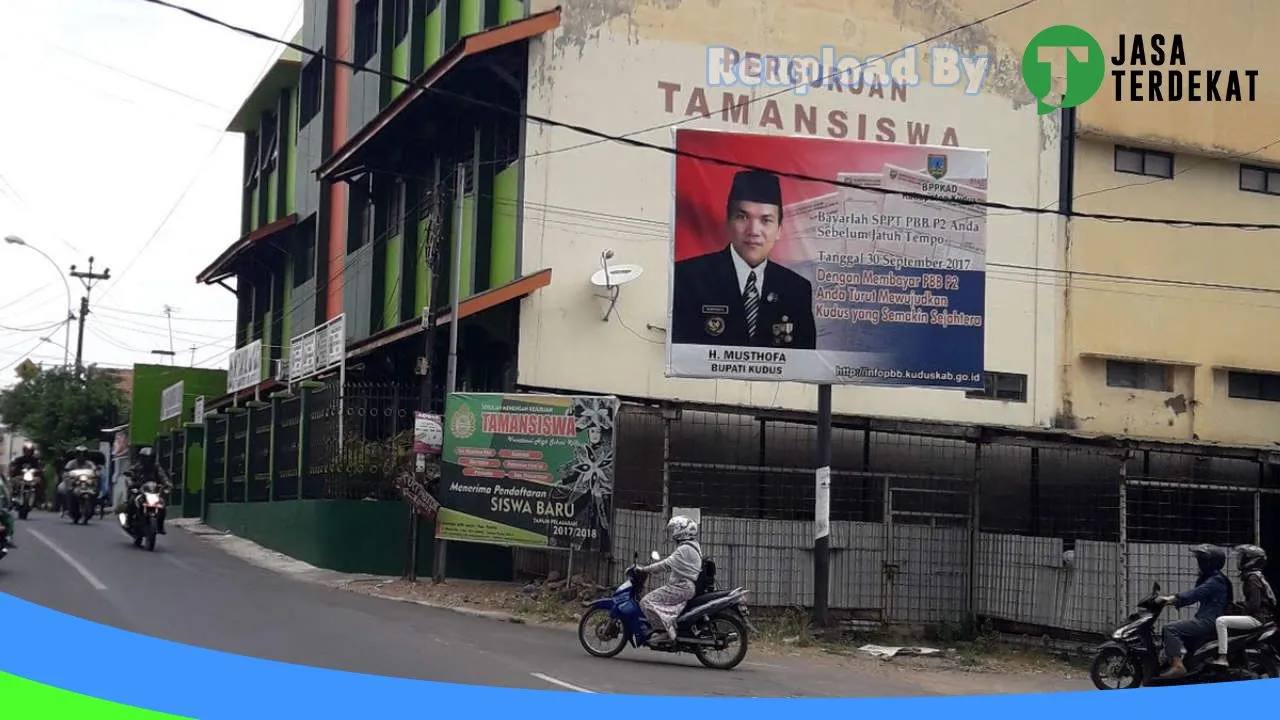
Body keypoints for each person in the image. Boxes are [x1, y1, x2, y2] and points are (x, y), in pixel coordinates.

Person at [671, 169, 817, 350]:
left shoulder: (796, 290)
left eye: (766, 220)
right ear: (728, 221)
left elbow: (804, 360)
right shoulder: (687, 278)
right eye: (742, 217)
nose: (753, 231)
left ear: (779, 229)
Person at [1155, 544, 1232, 679]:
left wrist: (1171, 599)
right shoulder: (1213, 578)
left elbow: (1195, 594)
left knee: (1170, 629)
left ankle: (1178, 666)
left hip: (1208, 621)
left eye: (1201, 561)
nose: (1199, 564)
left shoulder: (1216, 580)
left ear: (1209, 563)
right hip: (1207, 619)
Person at [636, 515, 703, 647]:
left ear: (682, 531)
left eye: (675, 529)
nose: (673, 532)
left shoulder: (684, 549)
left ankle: (666, 631)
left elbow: (665, 564)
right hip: (684, 586)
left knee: (646, 602)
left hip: (681, 586)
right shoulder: (692, 545)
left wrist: (644, 569)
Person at [1209, 544, 1276, 667]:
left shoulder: (1252, 579)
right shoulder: (1256, 576)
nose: (1240, 561)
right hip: (1262, 616)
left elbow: (1254, 605)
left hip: (1257, 618)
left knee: (1221, 621)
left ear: (1252, 560)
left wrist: (1238, 607)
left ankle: (1223, 657)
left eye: (1243, 558)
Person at [119, 446, 171, 534]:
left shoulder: (156, 467)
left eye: (150, 458)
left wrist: (167, 485)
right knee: (131, 502)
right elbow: (129, 476)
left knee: (162, 506)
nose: (148, 461)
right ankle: (128, 521)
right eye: (146, 458)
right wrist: (131, 483)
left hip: (153, 491)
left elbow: (163, 477)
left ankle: (160, 526)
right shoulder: (137, 467)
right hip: (140, 490)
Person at [60, 445, 97, 518]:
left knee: (95, 489)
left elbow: (94, 470)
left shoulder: (89, 463)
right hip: (75, 483)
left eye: (83, 454)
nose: (81, 455)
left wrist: (96, 473)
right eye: (79, 453)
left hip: (86, 483)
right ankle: (68, 507)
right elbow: (67, 471)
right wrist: (68, 475)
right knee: (67, 489)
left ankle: (93, 507)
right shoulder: (71, 463)